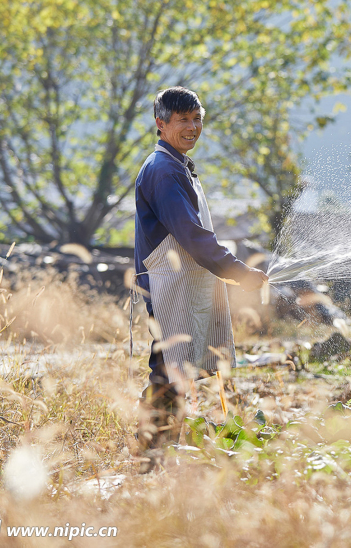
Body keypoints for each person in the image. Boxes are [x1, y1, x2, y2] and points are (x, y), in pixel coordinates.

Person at [133, 86, 267, 462]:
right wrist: (238, 272)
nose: (192, 127)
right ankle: (151, 454)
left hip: (183, 284)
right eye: (182, 120)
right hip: (168, 285)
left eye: (197, 119)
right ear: (161, 124)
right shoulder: (163, 171)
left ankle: (158, 451)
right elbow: (193, 236)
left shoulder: (176, 165)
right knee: (169, 368)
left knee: (174, 366)